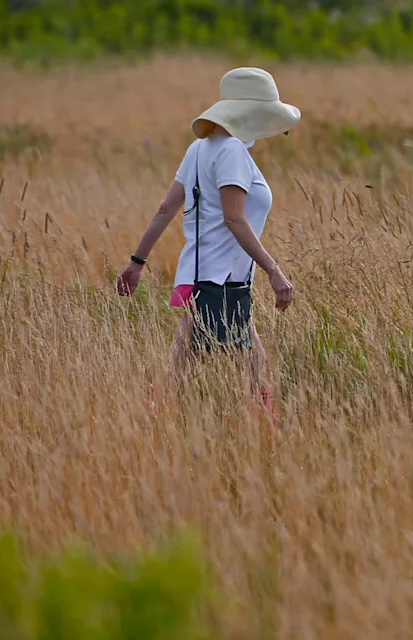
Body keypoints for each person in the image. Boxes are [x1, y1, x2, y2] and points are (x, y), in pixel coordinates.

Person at [115, 67, 300, 419]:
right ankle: (267, 429)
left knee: (187, 366)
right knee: (249, 369)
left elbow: (166, 208)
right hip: (220, 280)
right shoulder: (230, 151)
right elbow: (234, 219)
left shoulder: (200, 148)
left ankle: (155, 417)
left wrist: (137, 262)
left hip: (201, 276)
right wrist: (275, 271)